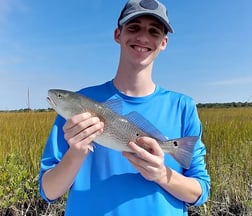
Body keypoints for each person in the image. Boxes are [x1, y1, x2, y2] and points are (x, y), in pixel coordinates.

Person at [39, 0, 210, 215]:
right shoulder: (79, 104)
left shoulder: (183, 106)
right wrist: (76, 152)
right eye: (134, 27)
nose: (143, 37)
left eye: (154, 31)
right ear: (117, 34)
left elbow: (200, 191)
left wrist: (160, 173)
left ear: (164, 42)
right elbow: (48, 191)